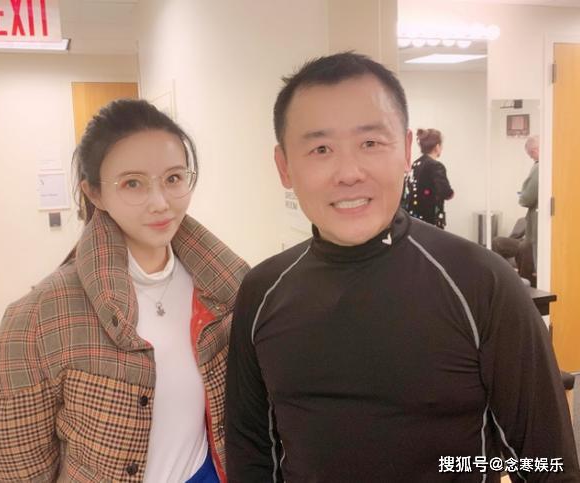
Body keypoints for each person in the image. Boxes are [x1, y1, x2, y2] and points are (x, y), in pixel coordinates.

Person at [225, 52, 578, 482]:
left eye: (371, 143)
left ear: (407, 150)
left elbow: (547, 464)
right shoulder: (261, 291)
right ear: (284, 167)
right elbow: (252, 452)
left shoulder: (482, 284)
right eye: (320, 149)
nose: (349, 173)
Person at [0, 99, 249, 482]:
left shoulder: (222, 287)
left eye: (173, 178)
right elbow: (14, 465)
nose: (160, 203)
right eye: (132, 183)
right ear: (95, 193)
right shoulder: (40, 315)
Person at [402, 128, 454, 229]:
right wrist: (451, 193)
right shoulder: (436, 166)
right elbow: (445, 192)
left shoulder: (416, 164)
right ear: (437, 147)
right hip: (430, 219)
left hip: (414, 219)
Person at [492, 217, 536, 286]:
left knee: (525, 246)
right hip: (523, 240)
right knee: (497, 242)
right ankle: (502, 279)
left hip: (536, 244)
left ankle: (523, 284)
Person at [519, 135, 539, 268]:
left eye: (531, 155)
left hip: (537, 221)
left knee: (538, 259)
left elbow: (527, 198)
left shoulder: (539, 167)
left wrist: (521, 197)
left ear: (534, 150)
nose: (532, 158)